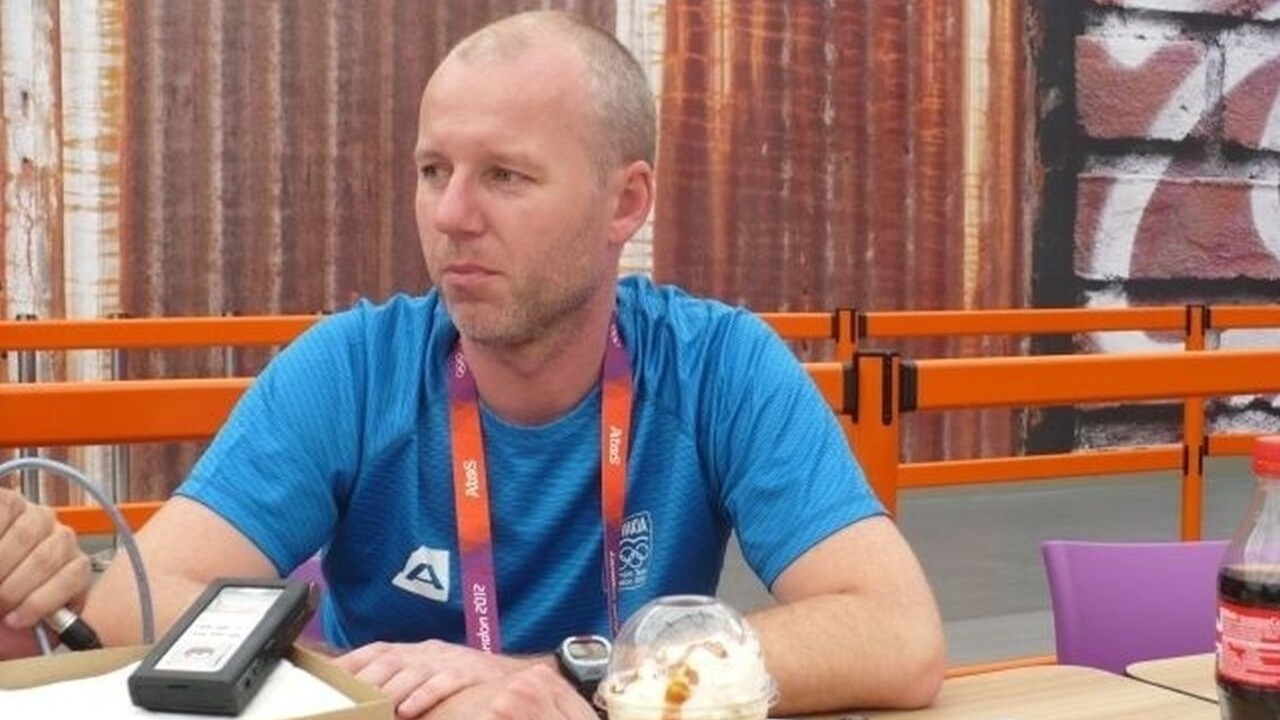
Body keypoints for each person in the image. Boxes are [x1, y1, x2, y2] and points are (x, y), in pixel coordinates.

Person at [0, 9, 944, 719]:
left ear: (625, 204)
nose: (451, 216)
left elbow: (897, 633)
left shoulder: (718, 366)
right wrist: (41, 578)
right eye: (432, 171)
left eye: (505, 175)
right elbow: (130, 613)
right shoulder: (349, 371)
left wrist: (572, 682)